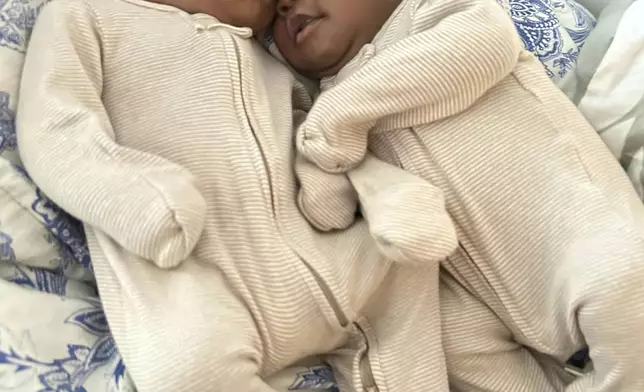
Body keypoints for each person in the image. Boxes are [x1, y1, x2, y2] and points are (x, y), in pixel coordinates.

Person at [16, 0, 457, 390]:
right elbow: (55, 128)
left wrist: (376, 191)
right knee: (184, 368)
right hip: (201, 276)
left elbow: (319, 138)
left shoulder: (268, 60)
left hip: (330, 252)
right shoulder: (88, 15)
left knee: (407, 264)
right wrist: (137, 198)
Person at [273, 0, 644, 391]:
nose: (284, 7)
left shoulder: (430, 15)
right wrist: (319, 168)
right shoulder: (321, 110)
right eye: (273, 12)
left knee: (622, 282)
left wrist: (336, 118)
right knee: (450, 341)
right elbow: (331, 205)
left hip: (580, 235)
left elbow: (489, 42)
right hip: (479, 297)